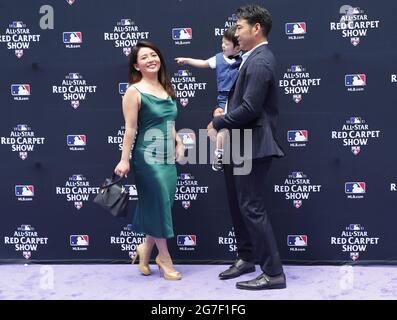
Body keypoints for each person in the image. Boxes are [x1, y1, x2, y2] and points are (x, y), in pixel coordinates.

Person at [207, 5, 286, 290]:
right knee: (238, 205)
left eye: (239, 27)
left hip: (252, 145)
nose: (235, 32)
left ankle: (274, 273)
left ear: (256, 28)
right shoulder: (250, 59)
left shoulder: (260, 61)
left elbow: (251, 108)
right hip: (239, 144)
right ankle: (246, 257)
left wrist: (218, 123)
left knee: (251, 206)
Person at [114, 41, 184, 281]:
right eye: (145, 57)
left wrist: (179, 142)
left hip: (167, 158)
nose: (151, 59)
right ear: (136, 65)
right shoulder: (134, 91)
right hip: (147, 158)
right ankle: (164, 258)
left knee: (160, 206)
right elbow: (130, 129)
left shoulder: (166, 88)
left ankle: (145, 249)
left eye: (154, 54)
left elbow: (169, 122)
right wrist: (124, 160)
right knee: (159, 205)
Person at [175, 26, 242, 172]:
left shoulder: (244, 60)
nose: (222, 45)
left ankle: (223, 153)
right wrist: (187, 60)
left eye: (226, 44)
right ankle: (221, 153)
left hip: (237, 99)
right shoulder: (218, 58)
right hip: (223, 100)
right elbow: (203, 63)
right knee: (214, 129)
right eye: (222, 42)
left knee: (226, 129)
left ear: (237, 48)